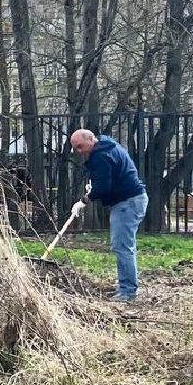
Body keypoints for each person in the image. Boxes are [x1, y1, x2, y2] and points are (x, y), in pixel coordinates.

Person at [69, 129, 148, 302]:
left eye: (80, 146)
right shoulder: (107, 145)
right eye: (75, 148)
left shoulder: (100, 156)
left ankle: (128, 292)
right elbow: (108, 178)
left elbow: (104, 187)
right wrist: (94, 186)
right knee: (125, 245)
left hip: (127, 202)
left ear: (91, 139)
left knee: (122, 246)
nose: (79, 151)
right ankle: (127, 288)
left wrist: (84, 200)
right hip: (132, 199)